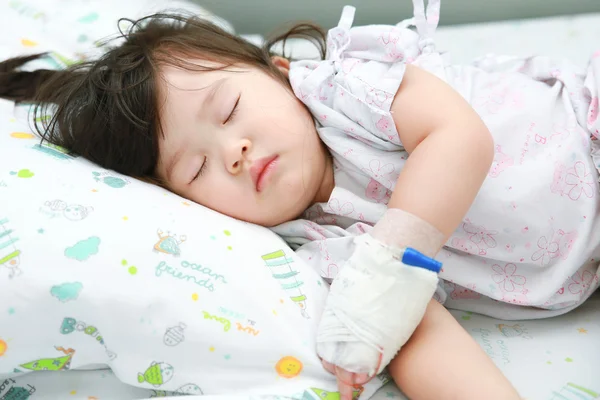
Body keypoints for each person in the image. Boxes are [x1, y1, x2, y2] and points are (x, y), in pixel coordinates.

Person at [1, 0, 599, 398]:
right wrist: (372, 324)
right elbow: (417, 329)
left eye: (230, 110)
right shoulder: (318, 249)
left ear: (280, 73)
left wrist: (392, 262)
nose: (233, 150)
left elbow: (459, 138)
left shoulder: (352, 93)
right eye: (198, 166)